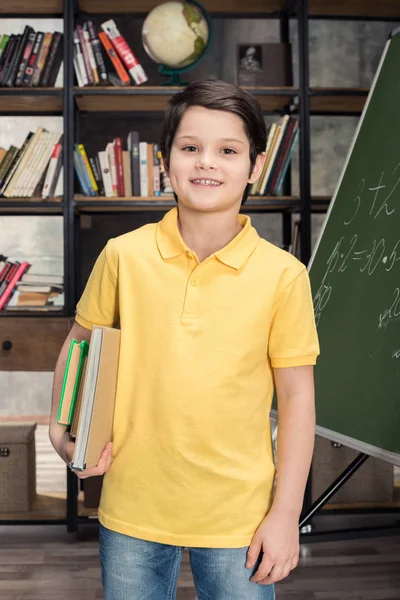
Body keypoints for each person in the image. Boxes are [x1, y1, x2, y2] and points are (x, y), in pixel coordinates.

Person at [49, 79, 319, 600]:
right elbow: (78, 347)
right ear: (166, 162)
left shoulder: (284, 276)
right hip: (132, 506)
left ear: (254, 168)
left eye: (228, 150)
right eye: (190, 148)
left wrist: (286, 513)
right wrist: (63, 431)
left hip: (240, 514)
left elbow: (297, 398)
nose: (207, 163)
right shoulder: (123, 256)